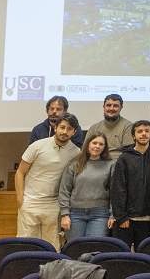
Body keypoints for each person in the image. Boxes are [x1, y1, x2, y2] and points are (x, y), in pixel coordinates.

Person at [16, 112, 80, 249]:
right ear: (55, 128)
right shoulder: (37, 146)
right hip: (30, 202)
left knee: (51, 247)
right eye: (62, 127)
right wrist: (21, 199)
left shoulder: (76, 152)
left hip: (54, 204)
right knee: (26, 245)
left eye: (69, 129)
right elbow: (20, 172)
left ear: (74, 132)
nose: (65, 132)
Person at [110, 120, 150, 249]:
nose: (143, 134)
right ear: (133, 136)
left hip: (149, 220)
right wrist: (121, 217)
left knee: (145, 255)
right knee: (122, 256)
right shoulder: (124, 158)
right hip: (127, 219)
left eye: (147, 131)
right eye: (140, 131)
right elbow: (118, 188)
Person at [59, 133, 116, 242]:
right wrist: (64, 214)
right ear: (87, 144)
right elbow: (64, 190)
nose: (97, 146)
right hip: (75, 214)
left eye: (101, 144)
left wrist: (113, 214)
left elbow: (114, 192)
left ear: (104, 147)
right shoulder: (74, 163)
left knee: (94, 248)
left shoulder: (110, 165)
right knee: (76, 249)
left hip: (100, 214)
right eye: (94, 143)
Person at [85, 94, 134, 160]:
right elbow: (85, 150)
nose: (111, 109)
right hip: (96, 164)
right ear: (103, 107)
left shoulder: (128, 127)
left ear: (121, 108)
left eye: (115, 106)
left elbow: (128, 154)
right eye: (108, 105)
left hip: (118, 166)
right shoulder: (94, 128)